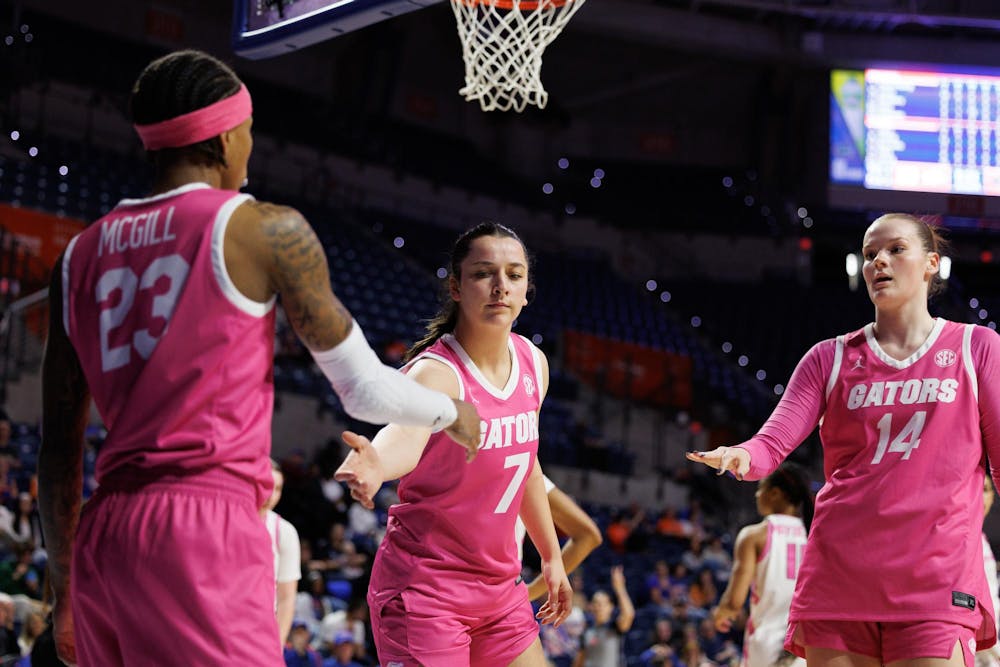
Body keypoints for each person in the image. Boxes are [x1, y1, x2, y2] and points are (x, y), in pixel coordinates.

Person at [38, 48, 483, 667]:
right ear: (224, 138)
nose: (251, 147)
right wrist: (452, 410)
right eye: (249, 131)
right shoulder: (262, 229)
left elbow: (58, 452)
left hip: (106, 532)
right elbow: (362, 390)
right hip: (201, 528)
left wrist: (66, 594)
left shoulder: (78, 256)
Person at [688, 212, 1000, 666]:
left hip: (935, 578)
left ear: (932, 263)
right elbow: (771, 443)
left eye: (895, 250)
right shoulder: (828, 358)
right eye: (870, 253)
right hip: (839, 576)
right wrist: (739, 454)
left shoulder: (978, 348)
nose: (879, 262)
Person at [335, 222, 573, 666]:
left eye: (514, 275)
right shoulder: (437, 374)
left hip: (500, 590)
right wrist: (376, 463)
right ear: (457, 287)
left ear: (527, 290)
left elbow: (527, 467)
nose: (501, 287)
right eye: (484, 273)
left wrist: (550, 557)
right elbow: (405, 438)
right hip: (426, 591)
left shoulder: (532, 363)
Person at [712, 462, 812, 667]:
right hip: (806, 644)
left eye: (760, 490)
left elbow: (734, 601)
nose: (757, 496)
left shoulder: (754, 535)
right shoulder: (813, 534)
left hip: (767, 642)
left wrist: (722, 613)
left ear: (774, 493)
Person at [514, 474, 603, 601]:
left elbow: (588, 536)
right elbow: (588, 535)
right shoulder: (524, 468)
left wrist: (531, 592)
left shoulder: (525, 470)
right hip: (504, 602)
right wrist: (531, 593)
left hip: (493, 597)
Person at [264, 460, 302, 647]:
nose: (271, 494)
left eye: (278, 488)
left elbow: (286, 599)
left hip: (260, 629)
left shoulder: (284, 531)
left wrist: (276, 647)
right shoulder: (226, 518)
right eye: (267, 485)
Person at [577, 565, 635, 667]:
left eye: (602, 604)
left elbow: (629, 614)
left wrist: (620, 588)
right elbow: (579, 662)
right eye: (595, 603)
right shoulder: (586, 632)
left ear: (611, 607)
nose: (598, 607)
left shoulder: (615, 627)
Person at [978, 479, 1000, 667]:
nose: (980, 496)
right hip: (970, 651)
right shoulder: (955, 539)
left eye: (985, 490)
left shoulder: (983, 542)